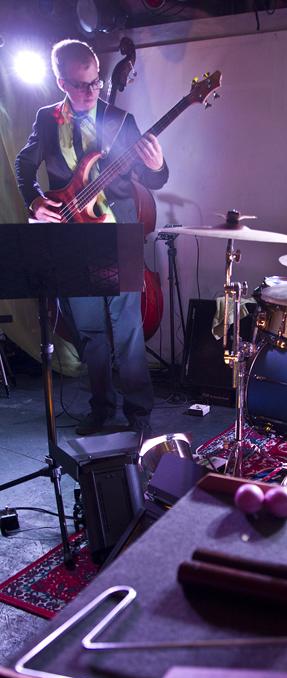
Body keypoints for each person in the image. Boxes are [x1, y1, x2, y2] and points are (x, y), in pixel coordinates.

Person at [15, 39, 169, 438]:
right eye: (81, 85)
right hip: (72, 237)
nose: (91, 91)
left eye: (96, 82)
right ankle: (100, 408)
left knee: (129, 332)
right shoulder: (47, 119)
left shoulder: (120, 119)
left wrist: (158, 166)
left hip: (118, 236)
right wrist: (35, 201)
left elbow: (151, 178)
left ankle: (139, 414)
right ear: (61, 83)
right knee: (90, 332)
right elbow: (24, 164)